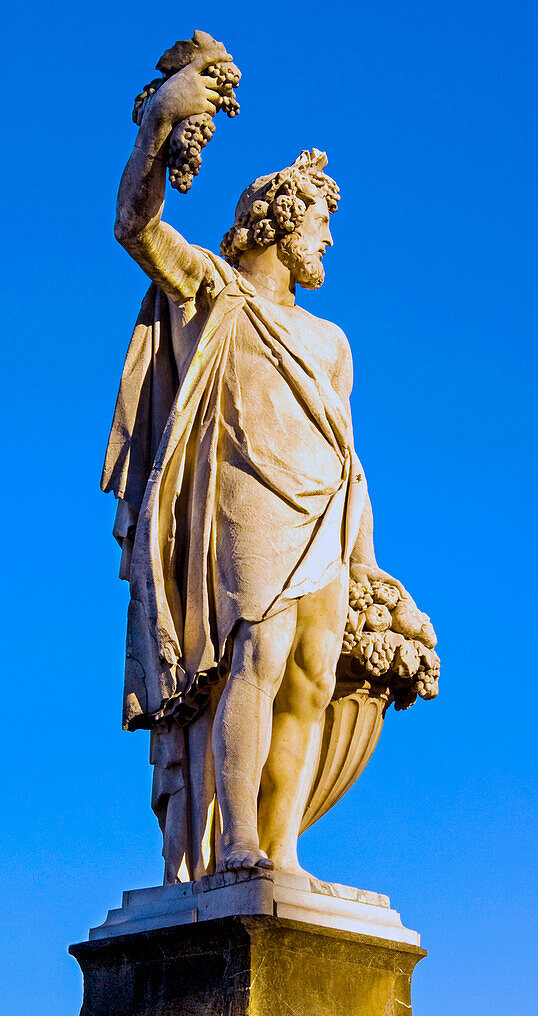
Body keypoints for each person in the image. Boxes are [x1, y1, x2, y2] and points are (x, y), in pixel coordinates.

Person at [104, 47, 402, 882]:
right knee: (256, 658)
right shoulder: (210, 291)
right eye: (318, 225)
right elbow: (136, 227)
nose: (328, 241)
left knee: (311, 674)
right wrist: (163, 119)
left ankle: (284, 853)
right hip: (246, 500)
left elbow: (350, 460)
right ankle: (234, 846)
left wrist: (366, 560)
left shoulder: (332, 342)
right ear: (276, 222)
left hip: (321, 513)